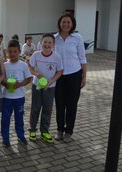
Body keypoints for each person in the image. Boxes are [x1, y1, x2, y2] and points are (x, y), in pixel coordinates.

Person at [54, 13, 87, 143]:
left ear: (72, 24)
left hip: (75, 74)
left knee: (72, 105)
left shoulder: (77, 38)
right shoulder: (54, 38)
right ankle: (59, 130)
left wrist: (84, 76)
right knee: (60, 104)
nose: (66, 24)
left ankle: (69, 131)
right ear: (59, 23)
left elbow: (82, 57)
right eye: (63, 22)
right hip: (59, 76)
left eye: (68, 22)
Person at [28, 34, 63, 143]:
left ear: (53, 45)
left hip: (50, 87)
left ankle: (44, 131)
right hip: (37, 86)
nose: (47, 45)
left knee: (47, 109)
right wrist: (37, 74)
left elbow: (60, 71)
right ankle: (32, 130)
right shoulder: (36, 55)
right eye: (45, 42)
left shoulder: (57, 57)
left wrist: (51, 81)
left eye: (50, 42)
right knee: (35, 108)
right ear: (41, 43)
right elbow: (30, 67)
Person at [1, 39, 32, 146]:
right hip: (6, 97)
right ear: (7, 52)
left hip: (19, 97)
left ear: (19, 52)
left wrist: (20, 84)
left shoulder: (23, 65)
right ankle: (5, 138)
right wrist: (6, 84)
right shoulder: (4, 65)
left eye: (15, 52)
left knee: (19, 118)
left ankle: (20, 135)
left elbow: (29, 79)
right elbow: (2, 79)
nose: (12, 54)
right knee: (5, 118)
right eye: (10, 52)